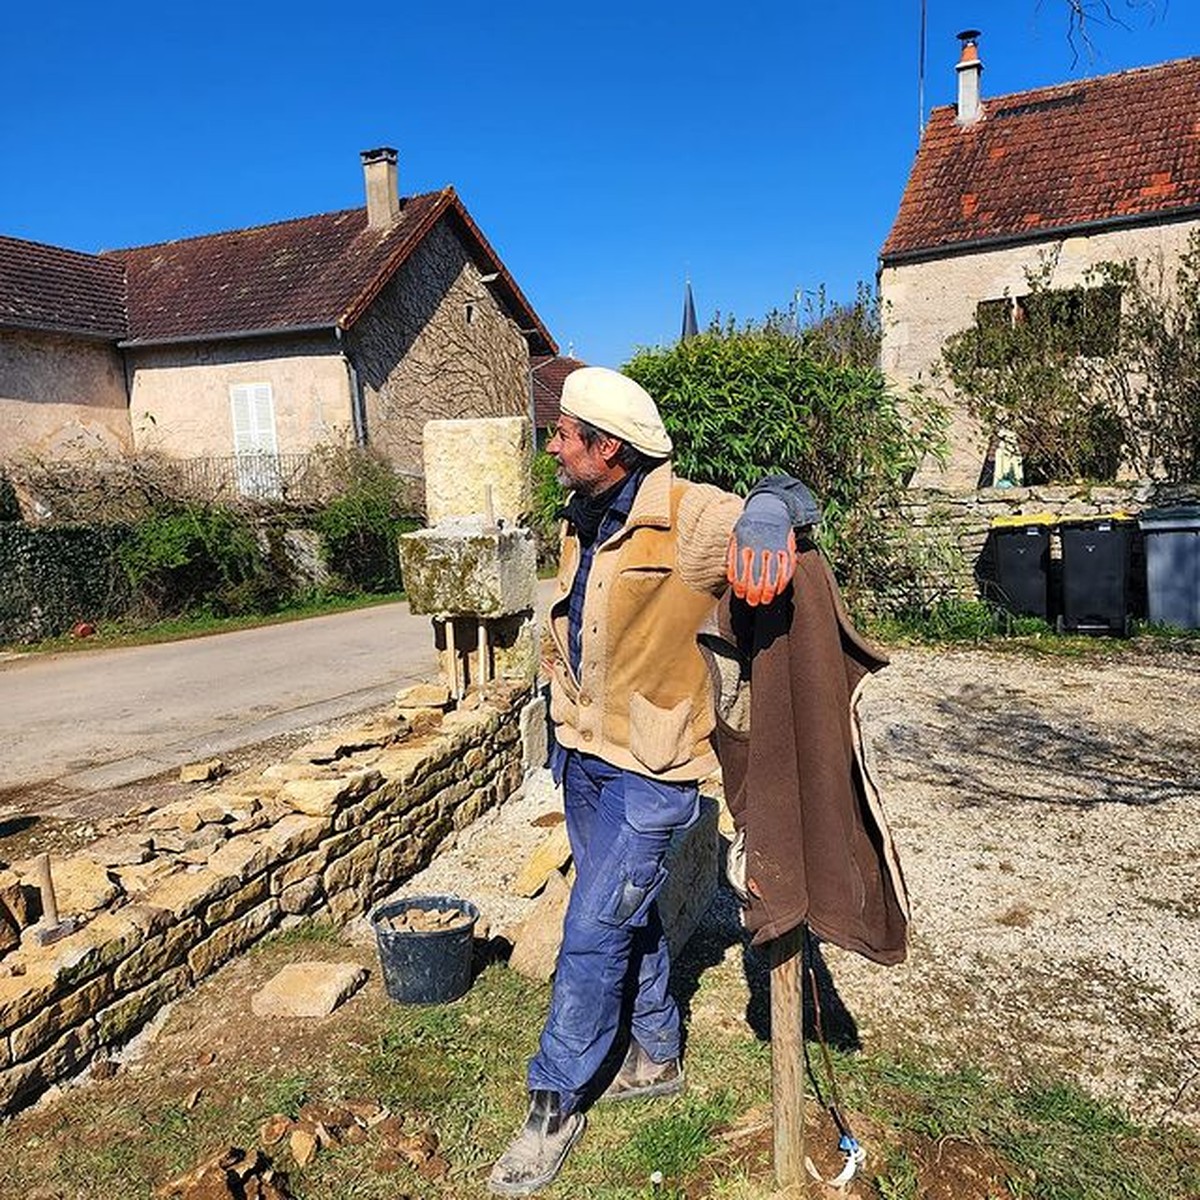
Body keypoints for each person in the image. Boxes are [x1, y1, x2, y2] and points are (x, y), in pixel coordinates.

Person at [489, 366, 814, 1196]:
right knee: (625, 918)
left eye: (566, 434)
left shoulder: (689, 516)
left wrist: (772, 515)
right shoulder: (582, 514)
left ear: (611, 448)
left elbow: (786, 500)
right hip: (585, 757)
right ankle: (659, 1051)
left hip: (655, 769)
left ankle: (554, 1100)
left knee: (592, 928)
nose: (553, 444)